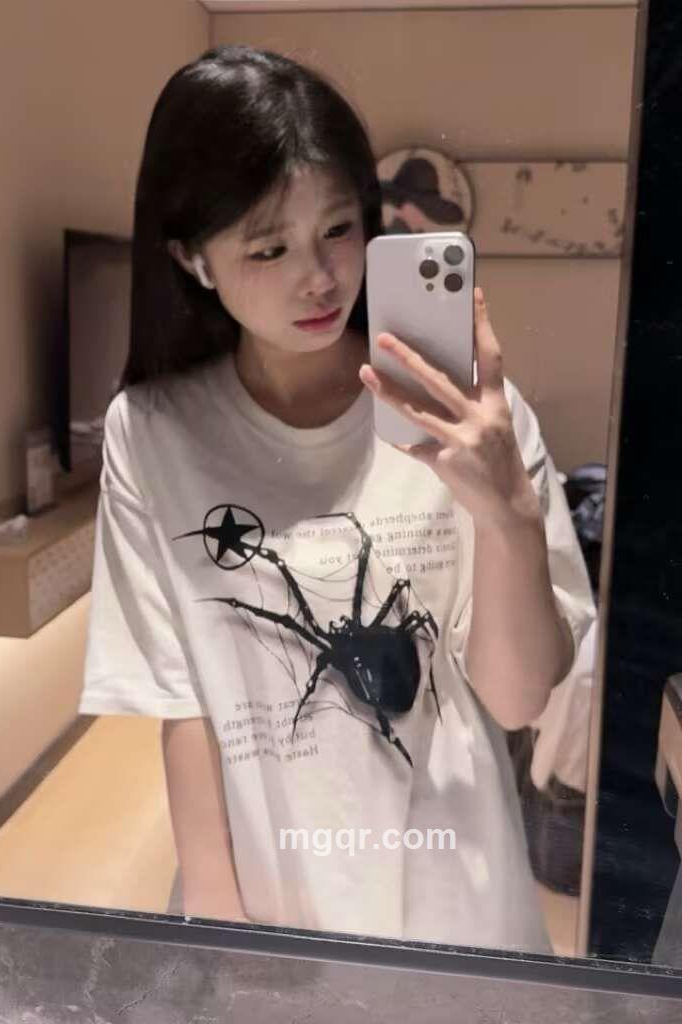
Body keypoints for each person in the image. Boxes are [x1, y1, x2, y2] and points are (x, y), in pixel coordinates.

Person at [78, 44, 596, 952]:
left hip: (460, 904)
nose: (317, 278)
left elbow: (516, 703)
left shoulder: (474, 417)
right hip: (270, 912)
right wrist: (219, 929)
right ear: (192, 258)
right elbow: (186, 703)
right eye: (268, 247)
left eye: (339, 229)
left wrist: (510, 514)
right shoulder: (151, 433)